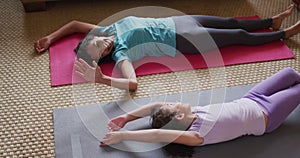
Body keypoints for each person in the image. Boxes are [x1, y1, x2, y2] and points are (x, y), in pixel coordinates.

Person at [34, 5, 300, 91]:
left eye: (96, 43)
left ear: (93, 37)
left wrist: (49, 38)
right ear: (105, 57)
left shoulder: (104, 31)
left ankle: (270, 21)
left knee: (230, 20)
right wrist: (103, 80)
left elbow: (73, 25)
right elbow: (133, 84)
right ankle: (283, 33)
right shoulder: (120, 52)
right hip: (184, 41)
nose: (103, 46)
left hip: (178, 21)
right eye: (101, 52)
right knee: (238, 34)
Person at [100, 67, 300, 146]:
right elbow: (158, 135)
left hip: (252, 98)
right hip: (267, 115)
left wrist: (127, 118)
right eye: (172, 105)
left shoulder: (191, 113)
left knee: (290, 73)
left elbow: (156, 106)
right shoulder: (197, 135)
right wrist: (124, 136)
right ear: (178, 117)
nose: (171, 101)